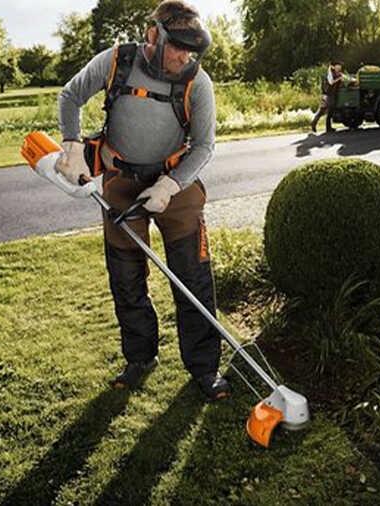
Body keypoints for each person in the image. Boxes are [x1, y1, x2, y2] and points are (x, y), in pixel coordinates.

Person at [55, 1, 232, 401]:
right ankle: (140, 358)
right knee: (126, 278)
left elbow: (204, 146)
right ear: (154, 35)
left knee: (193, 276)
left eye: (192, 49)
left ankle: (204, 368)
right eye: (178, 46)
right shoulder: (116, 61)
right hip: (120, 181)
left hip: (176, 187)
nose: (185, 56)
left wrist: (170, 186)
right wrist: (70, 145)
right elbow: (70, 96)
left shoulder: (197, 82)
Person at [310, 61, 344, 133]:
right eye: (338, 66)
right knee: (326, 110)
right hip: (328, 94)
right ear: (334, 66)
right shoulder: (330, 73)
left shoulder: (336, 73)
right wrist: (339, 79)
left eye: (340, 67)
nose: (339, 68)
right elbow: (331, 82)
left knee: (327, 110)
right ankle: (315, 124)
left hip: (331, 94)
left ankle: (325, 126)